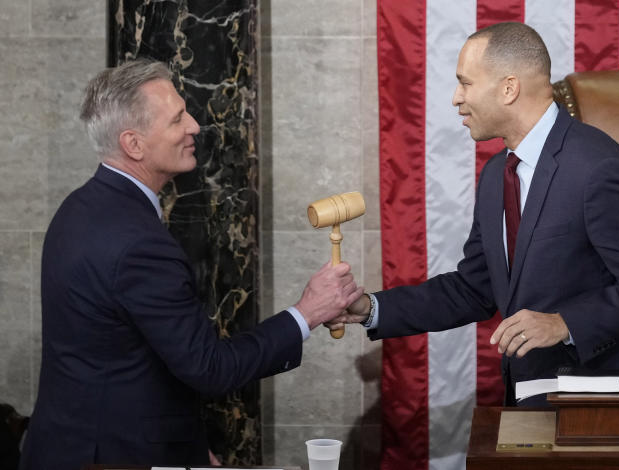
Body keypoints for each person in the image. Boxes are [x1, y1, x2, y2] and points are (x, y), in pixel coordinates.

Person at [19, 60, 363, 470]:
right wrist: (307, 313)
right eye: (177, 119)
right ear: (134, 144)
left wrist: (181, 445)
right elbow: (210, 368)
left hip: (68, 446)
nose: (196, 126)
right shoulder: (138, 242)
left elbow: (126, 352)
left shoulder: (79, 207)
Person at [328, 22, 619, 405]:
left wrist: (564, 323)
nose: (455, 98)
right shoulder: (497, 174)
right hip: (531, 398)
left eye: (465, 83)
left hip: (606, 405)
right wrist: (370, 309)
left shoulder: (596, 167)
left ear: (508, 88)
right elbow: (473, 289)